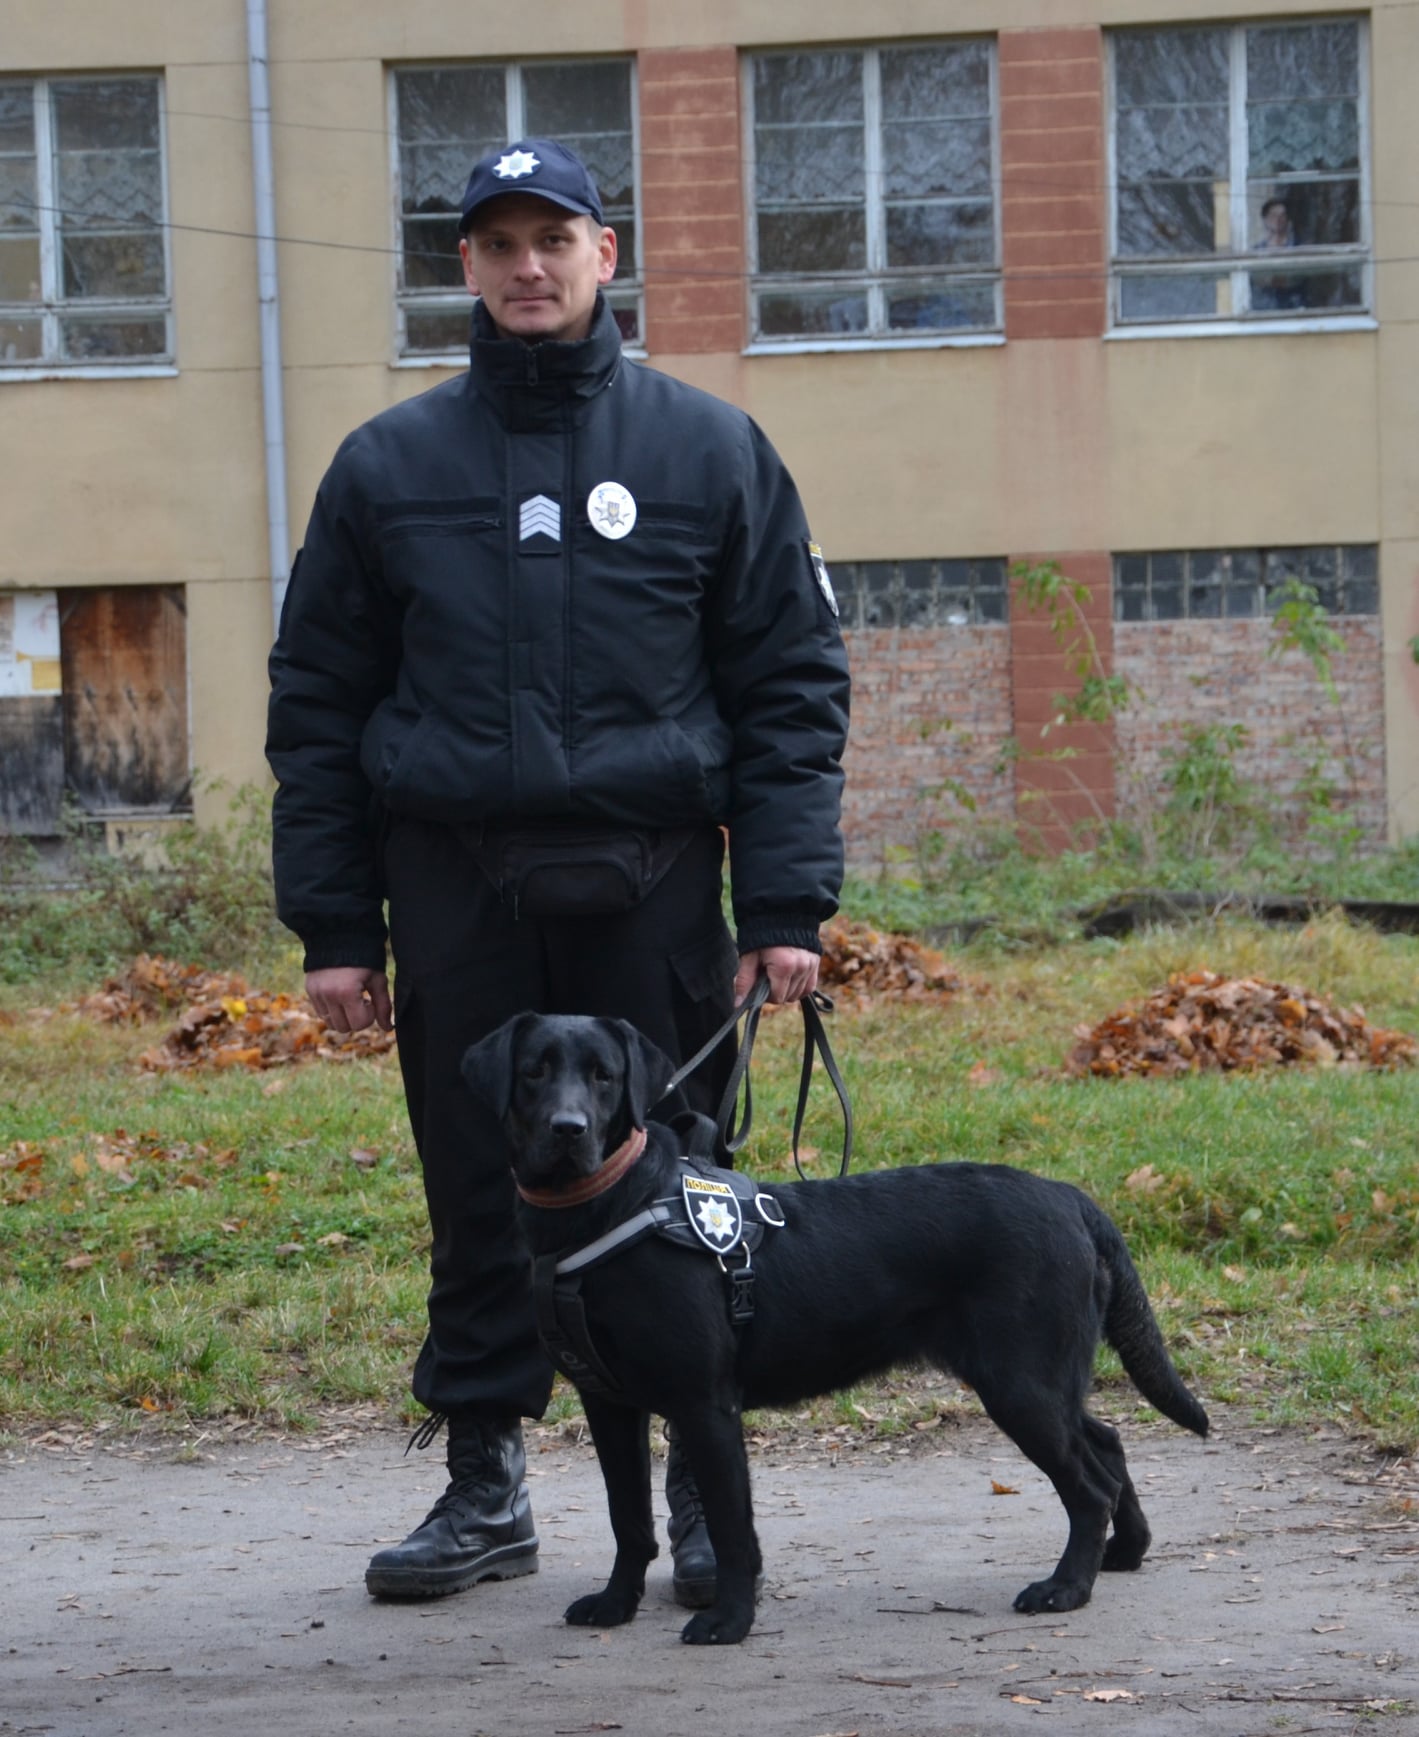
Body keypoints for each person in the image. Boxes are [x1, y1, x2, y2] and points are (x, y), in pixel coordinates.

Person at [266, 138, 850, 1609]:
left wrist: (782, 907)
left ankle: (702, 1509)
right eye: (496, 243)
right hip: (453, 886)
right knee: (482, 1189)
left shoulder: (708, 450)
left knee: (680, 1187)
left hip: (653, 884)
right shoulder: (387, 467)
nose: (528, 266)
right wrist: (337, 925)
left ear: (608, 253)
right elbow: (318, 706)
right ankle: (485, 1485)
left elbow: (788, 682)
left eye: (556, 238)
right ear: (462, 267)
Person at [1251, 196, 1306, 312]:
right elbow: (1254, 281)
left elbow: (1300, 278)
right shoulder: (1257, 251)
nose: (1278, 219)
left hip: (1293, 307)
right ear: (1265, 219)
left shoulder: (1298, 247)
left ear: (1288, 219)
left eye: (1282, 215)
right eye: (1273, 215)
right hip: (1263, 310)